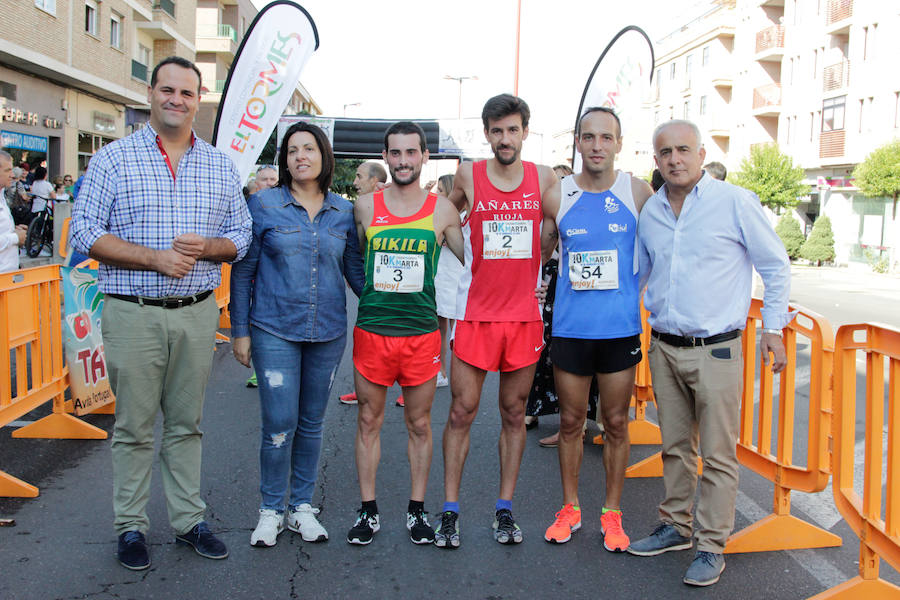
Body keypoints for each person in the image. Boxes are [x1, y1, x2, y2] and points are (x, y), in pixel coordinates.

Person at [70, 56, 252, 571]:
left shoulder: (219, 165)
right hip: (133, 313)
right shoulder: (112, 159)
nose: (176, 99)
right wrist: (153, 257)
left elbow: (241, 236)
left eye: (187, 93)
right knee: (133, 427)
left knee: (186, 425)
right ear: (150, 93)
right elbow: (84, 231)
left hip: (196, 315)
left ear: (199, 100)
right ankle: (130, 527)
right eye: (167, 90)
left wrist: (211, 246)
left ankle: (188, 520)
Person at [628, 120, 791, 586]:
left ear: (701, 154)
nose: (675, 159)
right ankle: (676, 526)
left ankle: (711, 545)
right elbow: (641, 275)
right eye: (665, 152)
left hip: (716, 350)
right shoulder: (652, 212)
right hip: (663, 346)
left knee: (718, 455)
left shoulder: (734, 202)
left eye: (684, 150)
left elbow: (776, 266)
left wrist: (773, 330)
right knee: (675, 447)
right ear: (655, 160)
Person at [230, 121, 365, 548]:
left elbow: (356, 274)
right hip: (273, 329)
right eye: (292, 151)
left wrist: (399, 298)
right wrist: (240, 331)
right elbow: (244, 271)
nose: (300, 156)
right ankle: (270, 510)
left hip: (327, 331)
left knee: (311, 423)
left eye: (308, 149)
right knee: (278, 423)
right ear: (284, 160)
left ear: (324, 156)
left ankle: (301, 507)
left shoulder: (344, 212)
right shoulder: (264, 205)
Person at [436, 94, 559, 548]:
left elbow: (555, 226)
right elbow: (443, 216)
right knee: (462, 411)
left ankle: (504, 509)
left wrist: (541, 272)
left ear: (525, 131)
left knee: (513, 414)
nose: (505, 138)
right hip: (476, 317)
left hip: (522, 319)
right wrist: (459, 258)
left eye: (513, 129)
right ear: (486, 133)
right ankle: (450, 509)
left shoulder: (543, 178)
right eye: (496, 130)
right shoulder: (468, 174)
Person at [540, 107, 653, 550]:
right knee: (570, 422)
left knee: (615, 424)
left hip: (619, 330)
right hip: (571, 330)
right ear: (578, 143)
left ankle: (612, 512)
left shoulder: (637, 192)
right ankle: (570, 508)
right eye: (588, 137)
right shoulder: (558, 195)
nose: (597, 146)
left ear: (619, 144)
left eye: (606, 138)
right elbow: (542, 250)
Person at [348, 121, 464, 546]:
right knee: (368, 421)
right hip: (373, 332)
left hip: (420, 334)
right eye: (394, 153)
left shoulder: (442, 211)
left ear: (423, 157)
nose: (402, 161)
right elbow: (354, 257)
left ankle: (417, 511)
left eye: (410, 153)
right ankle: (368, 511)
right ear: (387, 156)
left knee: (419, 424)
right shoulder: (364, 207)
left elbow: (470, 263)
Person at [432, 173, 463, 387]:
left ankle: (458, 373)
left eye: (440, 190)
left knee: (458, 329)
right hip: (441, 274)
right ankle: (440, 370)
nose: (436, 194)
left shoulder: (461, 218)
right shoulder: (439, 214)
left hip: (457, 276)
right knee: (440, 325)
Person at [0, 151, 28, 271]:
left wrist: (14, 231)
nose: (12, 175)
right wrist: (16, 237)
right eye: (8, 170)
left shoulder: (2, 196)